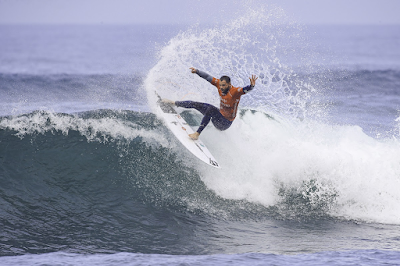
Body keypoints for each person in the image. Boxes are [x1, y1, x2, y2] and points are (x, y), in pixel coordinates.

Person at [163, 67, 258, 140]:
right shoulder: (219, 85)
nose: (221, 87)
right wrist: (197, 71)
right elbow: (208, 77)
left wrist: (252, 86)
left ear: (229, 84)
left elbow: (245, 90)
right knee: (196, 104)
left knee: (210, 109)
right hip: (219, 116)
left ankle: (197, 134)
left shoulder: (235, 92)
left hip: (225, 123)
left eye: (223, 85)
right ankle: (174, 103)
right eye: (220, 85)